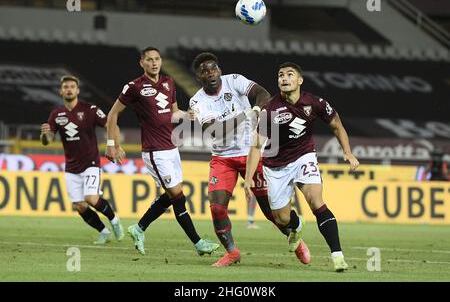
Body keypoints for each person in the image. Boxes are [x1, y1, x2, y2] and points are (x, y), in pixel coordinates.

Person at [189, 52, 310, 267]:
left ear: (220, 70)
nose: (211, 73)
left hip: (251, 153)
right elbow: (215, 131)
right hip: (222, 158)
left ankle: (296, 240)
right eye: (205, 71)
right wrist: (246, 114)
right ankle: (232, 252)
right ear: (199, 76)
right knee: (217, 208)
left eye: (214, 68)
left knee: (270, 211)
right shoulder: (197, 100)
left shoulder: (234, 80)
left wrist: (256, 108)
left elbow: (262, 93)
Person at [244, 62, 360, 272]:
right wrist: (248, 178)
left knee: (316, 200)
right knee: (281, 218)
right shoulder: (269, 109)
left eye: (289, 74)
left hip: (303, 157)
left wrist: (348, 152)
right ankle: (296, 226)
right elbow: (256, 145)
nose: (284, 78)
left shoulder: (314, 102)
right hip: (275, 166)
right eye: (280, 75)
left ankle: (337, 256)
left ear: (300, 80)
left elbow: (336, 124)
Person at [105, 46, 219, 256]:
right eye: (149, 60)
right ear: (142, 63)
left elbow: (174, 113)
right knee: (178, 196)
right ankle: (198, 243)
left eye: (157, 59)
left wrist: (188, 115)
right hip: (154, 151)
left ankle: (138, 229)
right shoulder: (134, 87)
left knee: (169, 196)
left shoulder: (169, 82)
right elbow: (112, 115)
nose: (154, 63)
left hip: (171, 148)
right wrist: (113, 144)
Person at [40, 75, 125, 244]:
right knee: (79, 205)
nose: (69, 89)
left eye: (72, 86)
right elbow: (47, 140)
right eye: (66, 87)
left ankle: (115, 221)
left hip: (90, 163)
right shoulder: (56, 114)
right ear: (61, 91)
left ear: (78, 90)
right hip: (71, 167)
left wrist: (115, 145)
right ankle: (104, 231)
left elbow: (111, 124)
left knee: (91, 198)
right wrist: (44, 134)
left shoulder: (90, 109)